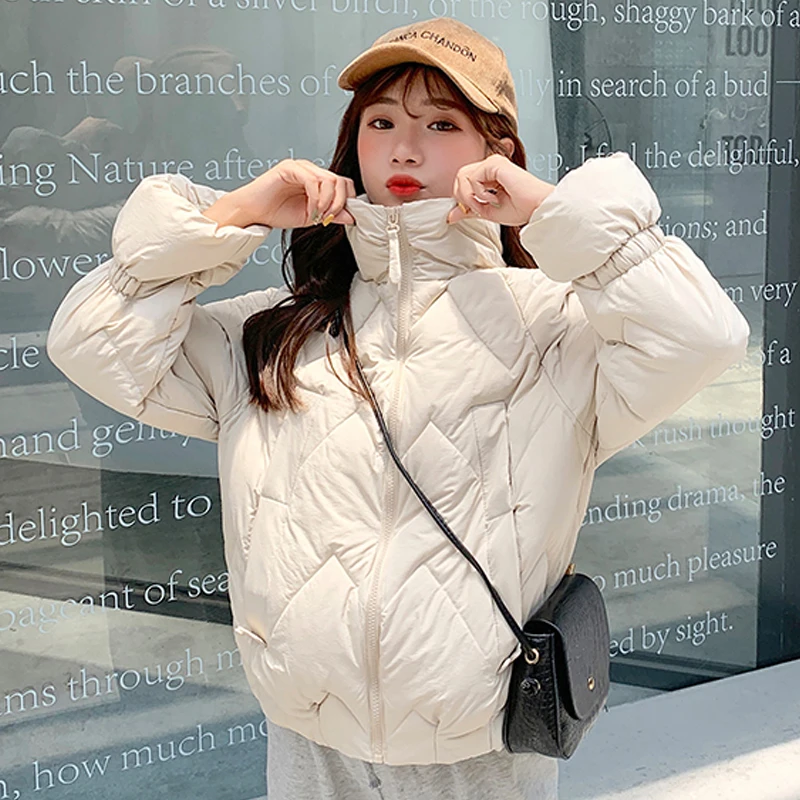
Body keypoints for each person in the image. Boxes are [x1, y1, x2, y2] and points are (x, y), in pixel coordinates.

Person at [46, 17, 750, 800]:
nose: (404, 150)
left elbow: (701, 336)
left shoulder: (554, 328)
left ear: (496, 150)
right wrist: (236, 213)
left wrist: (548, 209)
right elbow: (92, 343)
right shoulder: (272, 333)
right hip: (313, 741)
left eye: (440, 125)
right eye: (381, 122)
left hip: (481, 752)